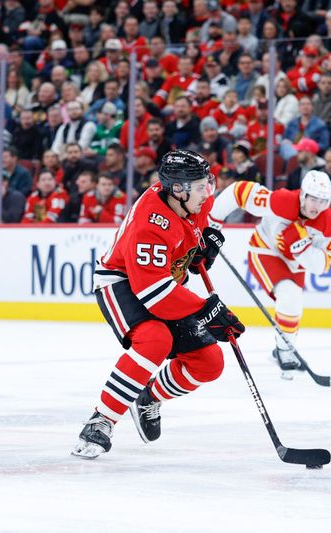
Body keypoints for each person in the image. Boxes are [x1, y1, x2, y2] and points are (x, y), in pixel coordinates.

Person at [72, 150, 245, 459]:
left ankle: (149, 395)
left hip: (166, 283)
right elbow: (153, 293)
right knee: (155, 339)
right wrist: (208, 311)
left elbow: (200, 226)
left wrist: (204, 243)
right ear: (177, 190)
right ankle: (101, 420)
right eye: (201, 185)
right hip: (123, 282)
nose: (208, 192)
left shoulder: (190, 199)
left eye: (208, 183)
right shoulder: (149, 223)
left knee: (209, 363)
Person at [208, 172, 331, 375]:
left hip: (295, 262)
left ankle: (285, 349)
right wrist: (213, 219)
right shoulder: (282, 201)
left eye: (323, 201)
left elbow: (321, 266)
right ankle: (285, 350)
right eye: (313, 199)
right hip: (265, 250)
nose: (317, 206)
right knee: (288, 294)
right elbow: (239, 191)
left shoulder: (328, 223)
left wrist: (301, 248)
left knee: (293, 302)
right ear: (303, 195)